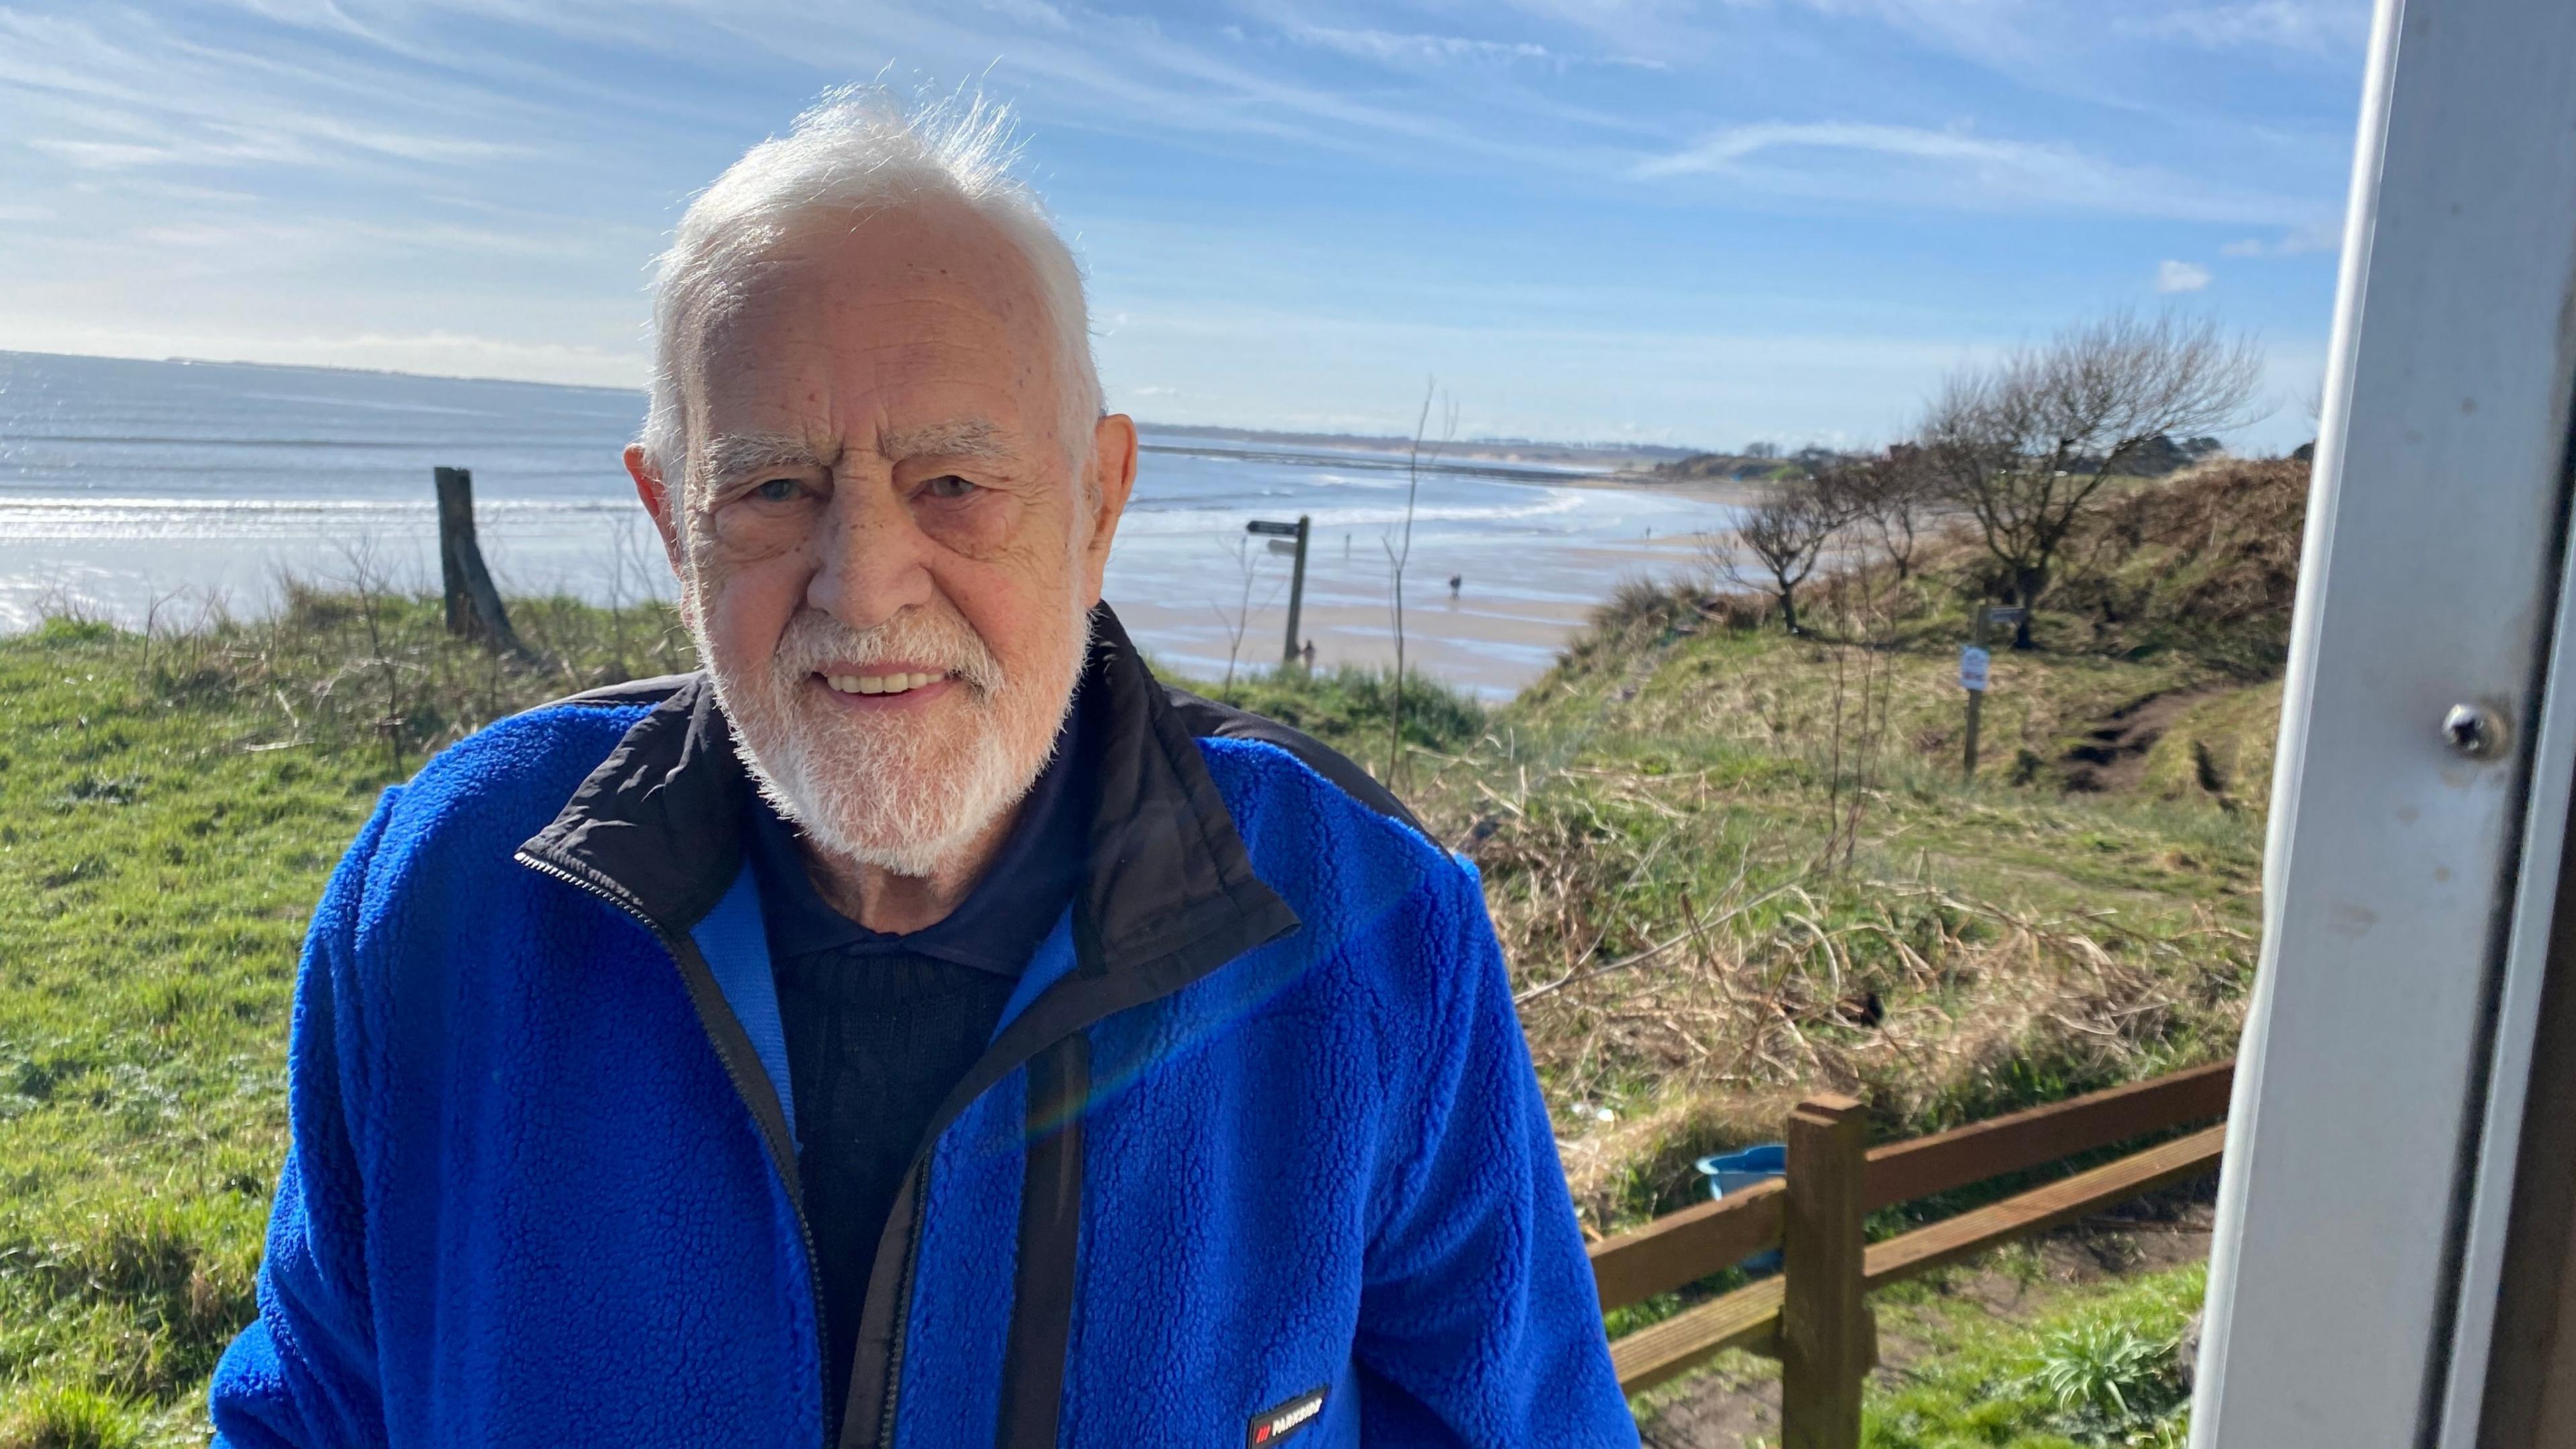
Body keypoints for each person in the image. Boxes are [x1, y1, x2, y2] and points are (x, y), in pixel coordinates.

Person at [207, 89, 1631, 1449]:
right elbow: (314, 1404)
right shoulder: (450, 893)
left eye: (953, 483)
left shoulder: (1369, 932)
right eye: (772, 488)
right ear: (668, 517)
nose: (866, 587)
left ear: (1098, 501)